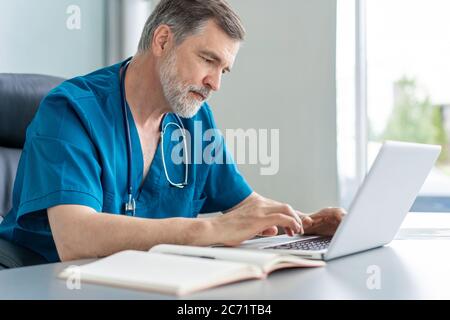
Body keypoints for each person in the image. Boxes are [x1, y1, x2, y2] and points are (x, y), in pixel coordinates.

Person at [0, 0, 345, 263]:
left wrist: (306, 222)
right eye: (208, 60)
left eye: (225, 69)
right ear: (163, 40)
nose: (216, 83)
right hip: (48, 281)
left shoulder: (194, 119)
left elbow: (245, 206)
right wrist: (210, 230)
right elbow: (75, 238)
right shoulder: (71, 111)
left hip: (148, 282)